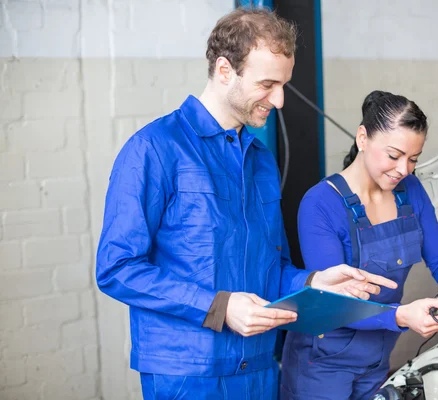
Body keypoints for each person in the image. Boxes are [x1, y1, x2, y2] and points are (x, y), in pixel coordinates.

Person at [95, 9, 397, 400]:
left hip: (258, 366)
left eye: (284, 84)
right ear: (224, 70)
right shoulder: (153, 149)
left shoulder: (261, 160)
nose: (280, 99)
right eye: (268, 83)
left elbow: (272, 269)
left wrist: (313, 282)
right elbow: (117, 268)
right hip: (187, 373)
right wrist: (219, 306)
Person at [280, 90, 438, 400]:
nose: (404, 169)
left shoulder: (410, 189)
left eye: (414, 159)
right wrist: (401, 316)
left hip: (377, 359)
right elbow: (334, 304)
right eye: (394, 155)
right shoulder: (320, 203)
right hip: (321, 365)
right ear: (362, 138)